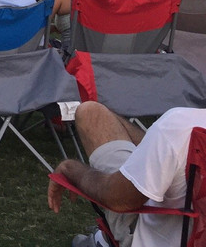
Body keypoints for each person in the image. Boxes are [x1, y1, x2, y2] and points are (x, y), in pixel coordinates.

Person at [49, 101, 206, 247]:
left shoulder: (179, 126)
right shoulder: (179, 128)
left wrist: (70, 169)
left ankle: (104, 240)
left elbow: (118, 199)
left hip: (151, 238)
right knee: (94, 113)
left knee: (91, 114)